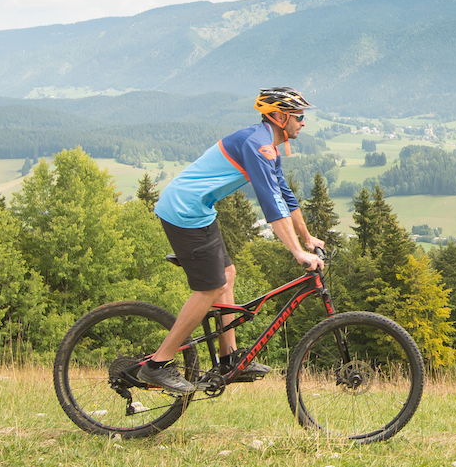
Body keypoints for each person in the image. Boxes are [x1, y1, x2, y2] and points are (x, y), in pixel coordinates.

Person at [137, 86, 327, 394]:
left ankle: (228, 361)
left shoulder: (268, 145)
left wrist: (306, 237)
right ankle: (158, 365)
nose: (303, 123)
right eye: (299, 116)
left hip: (198, 211)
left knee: (227, 275)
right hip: (183, 211)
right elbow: (270, 204)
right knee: (209, 287)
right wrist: (297, 252)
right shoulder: (258, 145)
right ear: (280, 117)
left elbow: (285, 196)